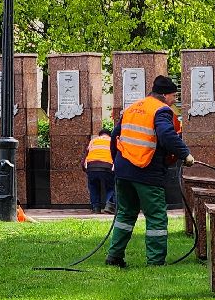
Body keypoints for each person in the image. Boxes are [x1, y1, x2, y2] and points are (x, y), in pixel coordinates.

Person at [106, 75, 194, 267]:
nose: (174, 100)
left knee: (125, 214)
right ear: (164, 95)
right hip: (146, 170)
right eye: (173, 96)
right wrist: (185, 154)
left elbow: (114, 136)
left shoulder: (133, 107)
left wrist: (117, 162)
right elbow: (166, 135)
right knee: (156, 217)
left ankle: (114, 256)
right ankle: (155, 261)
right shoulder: (160, 110)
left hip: (123, 170)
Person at [83, 128, 115, 214]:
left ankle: (96, 208)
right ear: (109, 134)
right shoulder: (112, 140)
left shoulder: (93, 141)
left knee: (93, 186)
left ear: (100, 135)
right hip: (107, 167)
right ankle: (109, 205)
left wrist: (85, 169)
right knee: (111, 187)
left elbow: (86, 155)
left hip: (91, 167)